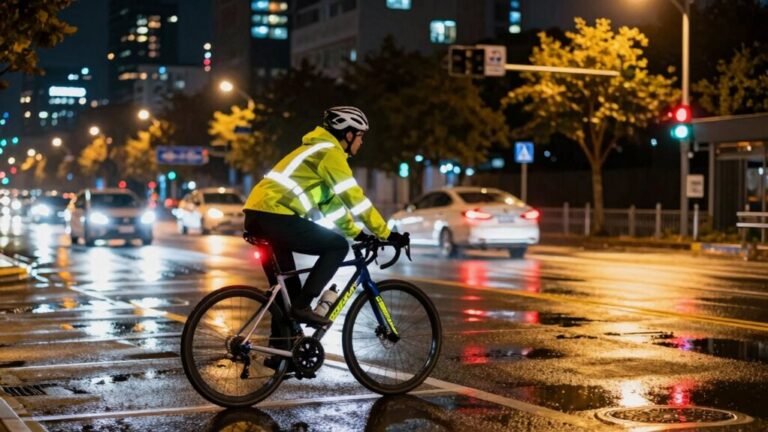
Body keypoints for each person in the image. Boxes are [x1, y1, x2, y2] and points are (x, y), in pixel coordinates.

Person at [243, 106, 409, 328]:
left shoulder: (316, 151)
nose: (361, 142)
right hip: (275, 215)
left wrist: (358, 233)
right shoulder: (330, 153)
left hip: (259, 215)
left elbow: (331, 204)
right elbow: (355, 198)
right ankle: (304, 308)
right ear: (348, 134)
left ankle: (281, 353)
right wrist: (387, 233)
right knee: (337, 247)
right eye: (360, 136)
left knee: (287, 296)